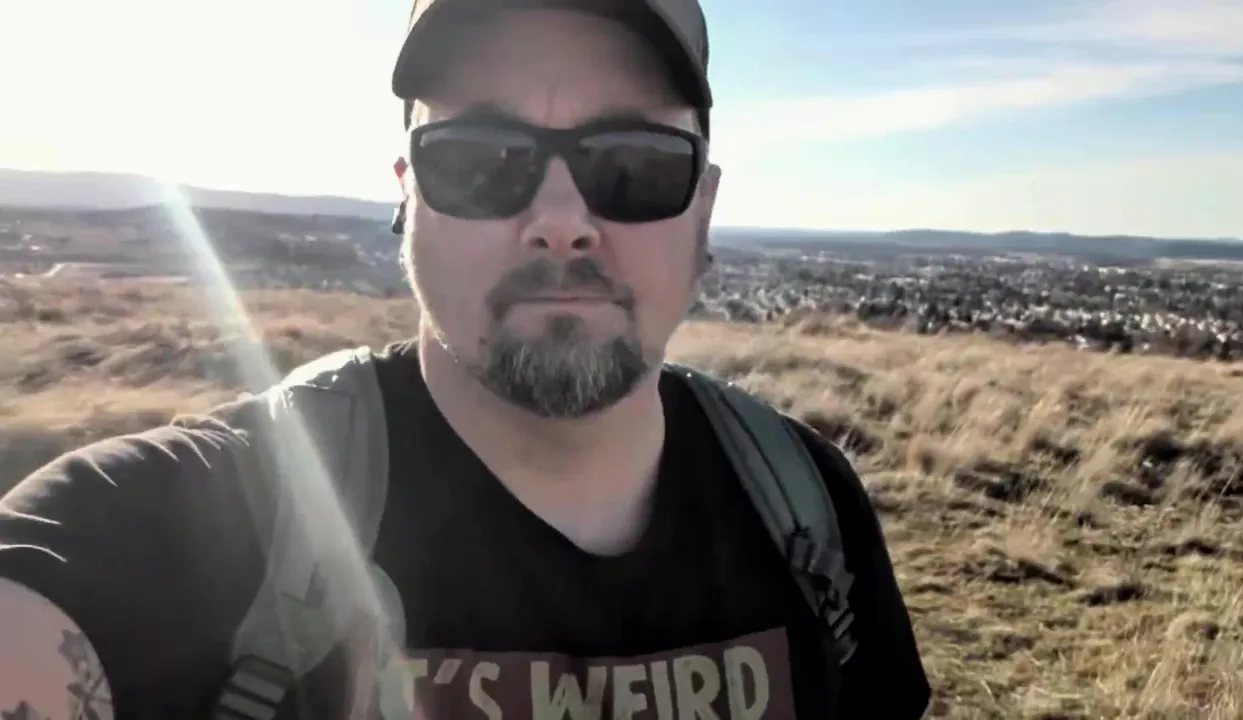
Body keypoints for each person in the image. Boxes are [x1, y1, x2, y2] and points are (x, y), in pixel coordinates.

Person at [0, 0, 932, 717]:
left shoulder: (808, 508)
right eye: (479, 159)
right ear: (406, 198)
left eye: (635, 164)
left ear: (706, 209)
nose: (561, 223)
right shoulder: (218, 513)